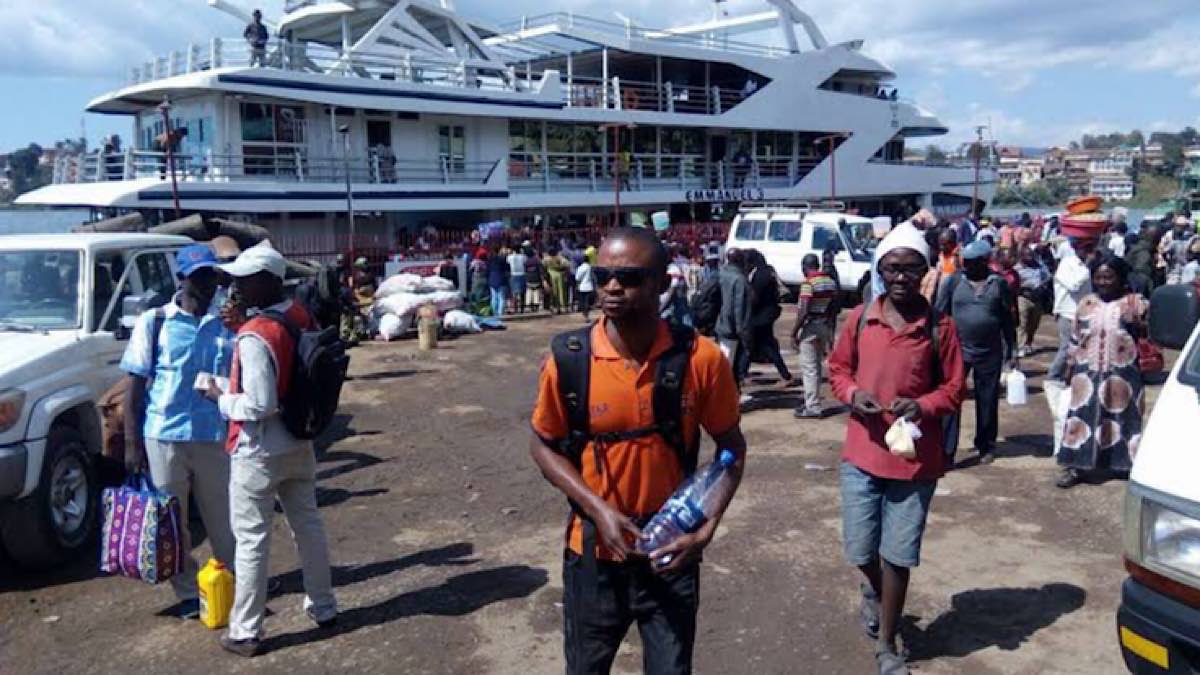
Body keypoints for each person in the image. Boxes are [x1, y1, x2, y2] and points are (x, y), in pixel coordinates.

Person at [529, 228, 747, 675]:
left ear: (662, 283)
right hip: (592, 555)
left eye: (628, 277)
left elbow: (731, 447)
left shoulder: (700, 359)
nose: (611, 286)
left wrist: (706, 529)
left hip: (671, 554)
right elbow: (543, 444)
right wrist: (598, 510)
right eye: (603, 274)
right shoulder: (569, 360)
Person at [827, 225, 965, 675]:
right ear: (880, 271)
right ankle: (875, 592)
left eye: (910, 268)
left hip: (914, 462)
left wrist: (922, 405)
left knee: (898, 556)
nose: (901, 277)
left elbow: (954, 389)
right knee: (861, 549)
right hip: (862, 453)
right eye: (892, 268)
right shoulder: (860, 318)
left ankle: (887, 643)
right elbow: (838, 371)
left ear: (925, 271)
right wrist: (852, 396)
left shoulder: (940, 328)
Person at [203, 244, 337, 657]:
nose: (236, 286)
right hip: (300, 437)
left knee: (252, 540)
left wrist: (218, 396)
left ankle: (245, 630)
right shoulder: (299, 315)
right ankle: (324, 606)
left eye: (244, 279)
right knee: (308, 526)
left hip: (258, 449)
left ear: (267, 281)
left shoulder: (256, 334)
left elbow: (260, 404)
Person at [120, 245, 236, 618]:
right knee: (173, 520)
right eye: (199, 276)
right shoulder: (155, 322)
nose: (206, 283)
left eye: (211, 275)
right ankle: (189, 591)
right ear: (181, 279)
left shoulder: (226, 323)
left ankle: (233, 579)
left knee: (224, 516)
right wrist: (131, 443)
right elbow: (134, 387)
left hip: (212, 434)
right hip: (164, 434)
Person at [1056, 253, 1148, 489]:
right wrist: (1069, 366)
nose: (1104, 282)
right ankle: (1077, 466)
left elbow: (1149, 333)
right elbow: (1076, 338)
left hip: (1123, 372)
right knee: (1082, 416)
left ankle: (1122, 465)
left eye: (1109, 277)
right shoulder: (1086, 303)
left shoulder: (1135, 302)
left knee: (1122, 417)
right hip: (1086, 372)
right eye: (1099, 277)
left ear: (1119, 278)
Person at [936, 241, 1015, 466]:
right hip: (958, 350)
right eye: (964, 262)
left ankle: (986, 445)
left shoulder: (998, 284)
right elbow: (940, 314)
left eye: (971, 263)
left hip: (990, 352)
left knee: (988, 399)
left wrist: (1012, 351)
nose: (966, 266)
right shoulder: (953, 282)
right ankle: (946, 451)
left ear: (984, 262)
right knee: (951, 399)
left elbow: (1008, 320)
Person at [790, 254, 839, 418]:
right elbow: (833, 309)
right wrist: (831, 333)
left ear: (805, 267)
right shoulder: (830, 282)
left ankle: (812, 406)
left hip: (810, 326)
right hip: (824, 324)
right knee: (817, 366)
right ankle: (812, 400)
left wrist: (794, 332)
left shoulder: (808, 284)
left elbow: (804, 310)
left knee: (809, 367)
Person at [1049, 236, 1098, 383]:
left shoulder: (1084, 266)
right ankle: (1054, 376)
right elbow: (1074, 286)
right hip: (1068, 313)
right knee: (1066, 347)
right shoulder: (1067, 264)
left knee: (1083, 347)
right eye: (1087, 249)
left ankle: (1072, 376)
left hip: (1084, 313)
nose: (1090, 253)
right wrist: (1087, 267)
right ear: (1077, 249)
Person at [745, 249, 793, 387]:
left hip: (761, 317)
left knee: (766, 346)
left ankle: (786, 376)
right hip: (767, 314)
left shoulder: (760, 275)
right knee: (752, 345)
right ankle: (742, 374)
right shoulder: (768, 271)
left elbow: (755, 297)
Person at [716, 249, 753, 396]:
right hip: (732, 330)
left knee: (725, 365)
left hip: (722, 325)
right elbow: (739, 310)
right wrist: (744, 334)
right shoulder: (739, 280)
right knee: (727, 368)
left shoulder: (721, 274)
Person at [1015, 244, 1051, 357]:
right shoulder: (1017, 268)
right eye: (1027, 256)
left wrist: (1043, 285)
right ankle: (1021, 346)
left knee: (1034, 323)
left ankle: (1028, 343)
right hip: (1023, 297)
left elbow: (1048, 276)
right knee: (1022, 323)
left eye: (1031, 255)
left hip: (1038, 298)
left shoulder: (1039, 266)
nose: (1030, 258)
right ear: (1021, 257)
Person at [545, 247, 570, 314]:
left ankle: (556, 308)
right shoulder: (560, 258)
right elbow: (567, 264)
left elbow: (543, 266)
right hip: (560, 276)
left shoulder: (547, 259)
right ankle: (563, 307)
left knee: (554, 293)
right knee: (562, 292)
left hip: (551, 276)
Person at [487, 247, 510, 318]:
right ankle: (500, 313)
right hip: (501, 279)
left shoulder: (490, 260)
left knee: (494, 297)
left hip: (492, 279)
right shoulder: (502, 259)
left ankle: (494, 312)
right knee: (501, 297)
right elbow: (507, 269)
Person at [507, 245, 528, 314]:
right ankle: (522, 308)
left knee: (514, 293)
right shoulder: (523, 256)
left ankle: (515, 308)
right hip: (522, 274)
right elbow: (526, 261)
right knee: (522, 293)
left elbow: (507, 262)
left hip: (513, 274)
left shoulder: (509, 257)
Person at [524, 244, 545, 312]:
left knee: (529, 291)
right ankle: (536, 305)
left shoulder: (526, 261)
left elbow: (525, 270)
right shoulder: (537, 260)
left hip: (529, 278)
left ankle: (528, 305)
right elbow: (541, 270)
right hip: (536, 278)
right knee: (536, 291)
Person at [575, 256, 596, 321]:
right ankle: (586, 315)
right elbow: (593, 277)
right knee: (587, 302)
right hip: (589, 286)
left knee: (583, 301)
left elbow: (577, 278)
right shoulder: (590, 267)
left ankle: (585, 315)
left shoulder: (580, 268)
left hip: (582, 287)